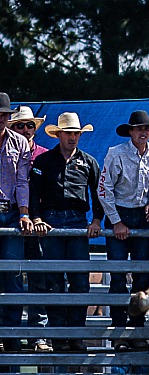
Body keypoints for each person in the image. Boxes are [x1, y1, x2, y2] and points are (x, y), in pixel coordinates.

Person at [30, 112, 102, 353]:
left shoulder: (89, 162)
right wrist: (37, 217)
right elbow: (34, 192)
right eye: (69, 133)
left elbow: (97, 194)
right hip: (51, 220)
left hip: (78, 221)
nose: (73, 137)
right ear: (59, 134)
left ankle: (76, 334)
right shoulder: (44, 162)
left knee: (80, 281)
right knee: (54, 281)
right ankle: (59, 336)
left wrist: (97, 219)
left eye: (76, 133)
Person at [98, 110, 149, 351]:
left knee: (142, 276)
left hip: (141, 216)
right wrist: (116, 221)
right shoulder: (116, 154)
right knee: (117, 274)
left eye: (146, 129)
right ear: (131, 132)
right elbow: (104, 189)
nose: (143, 132)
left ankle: (136, 328)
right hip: (121, 213)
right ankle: (118, 331)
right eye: (139, 129)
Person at [9, 105, 51, 352]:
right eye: (20, 125)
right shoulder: (9, 150)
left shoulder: (46, 155)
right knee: (10, 277)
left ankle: (39, 335)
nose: (25, 129)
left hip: (39, 223)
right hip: (15, 217)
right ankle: (10, 333)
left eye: (29, 125)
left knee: (39, 277)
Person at [0, 93, 33, 353]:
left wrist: (24, 212)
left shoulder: (20, 143)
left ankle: (11, 336)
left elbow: (23, 181)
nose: (1, 119)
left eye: (4, 115)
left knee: (12, 274)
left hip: (10, 212)